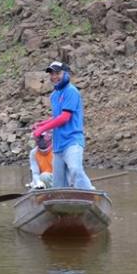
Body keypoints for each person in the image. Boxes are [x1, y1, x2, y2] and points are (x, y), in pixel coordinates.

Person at [31, 61, 95, 190]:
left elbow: (65, 117)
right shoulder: (54, 95)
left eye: (57, 73)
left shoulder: (71, 91)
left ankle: (90, 194)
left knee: (75, 170)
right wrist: (41, 124)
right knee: (58, 185)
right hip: (58, 144)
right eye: (52, 74)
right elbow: (57, 117)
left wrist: (42, 129)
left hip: (72, 141)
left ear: (65, 73)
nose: (54, 76)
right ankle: (61, 204)